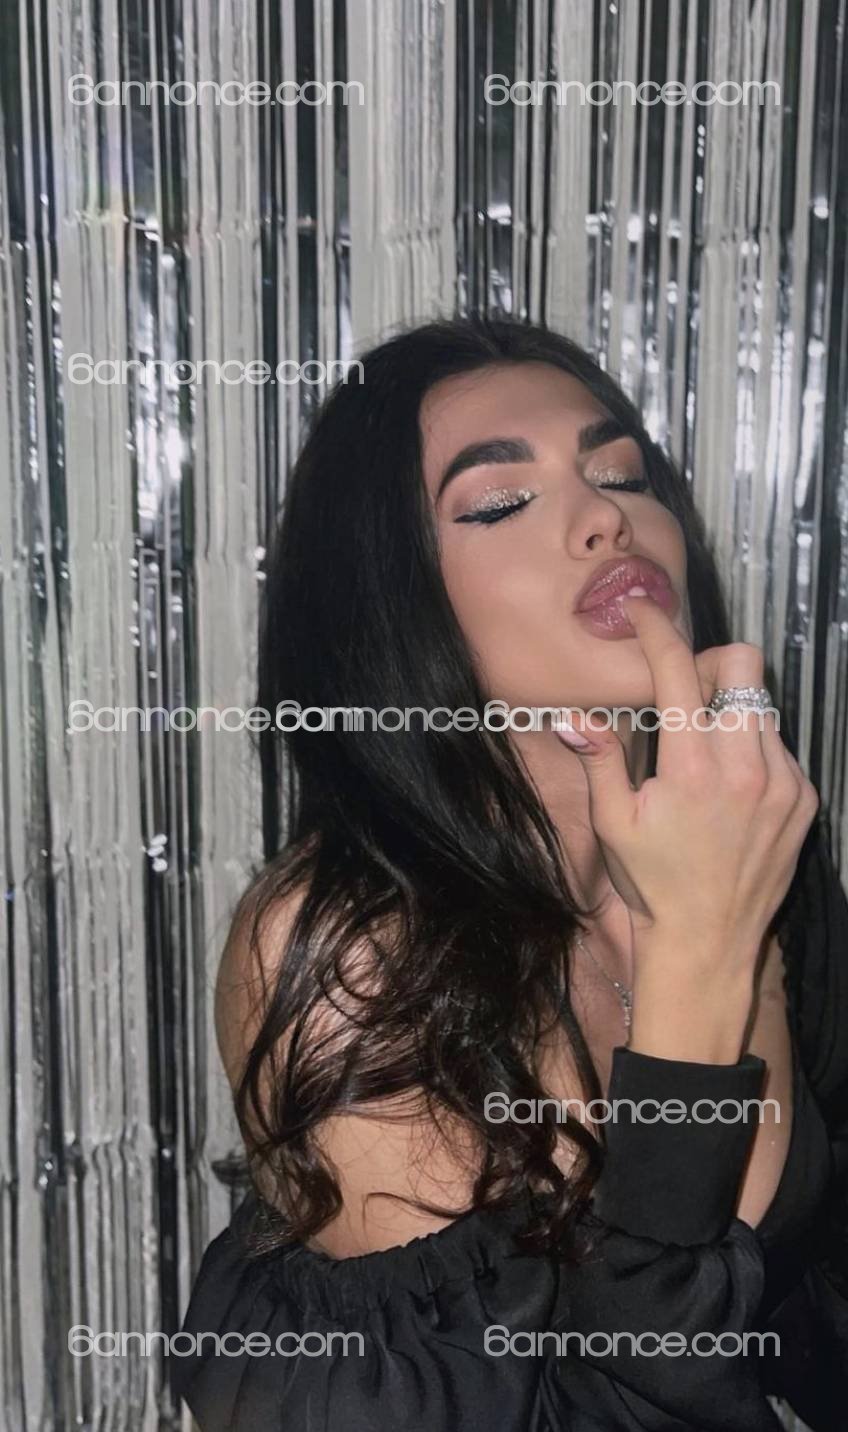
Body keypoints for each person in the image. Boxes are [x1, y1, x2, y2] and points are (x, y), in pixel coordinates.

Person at [173, 317, 848, 1431]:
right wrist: (699, 962)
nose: (604, 518)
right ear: (394, 598)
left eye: (622, 475)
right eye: (498, 502)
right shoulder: (343, 959)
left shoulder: (749, 838)